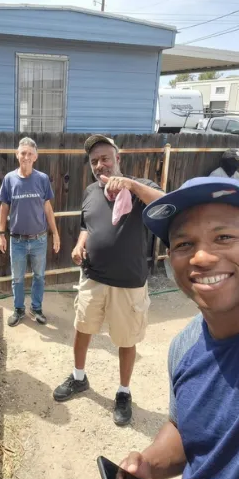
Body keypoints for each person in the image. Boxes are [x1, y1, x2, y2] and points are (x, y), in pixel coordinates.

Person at [119, 176, 239, 479]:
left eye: (224, 237)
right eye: (184, 244)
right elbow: (186, 429)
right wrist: (149, 464)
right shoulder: (185, 345)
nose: (201, 258)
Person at [53, 134, 164, 427]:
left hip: (129, 283)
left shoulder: (139, 188)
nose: (99, 165)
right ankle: (79, 377)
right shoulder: (91, 191)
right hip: (92, 277)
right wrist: (79, 246)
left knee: (126, 340)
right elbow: (86, 226)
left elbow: (166, 203)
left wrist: (131, 185)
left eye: (104, 158)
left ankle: (123, 392)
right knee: (82, 328)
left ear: (118, 159)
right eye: (94, 161)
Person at [0, 137, 60, 327]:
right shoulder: (9, 179)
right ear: (17, 155)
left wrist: (56, 234)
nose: (26, 157)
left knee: (39, 276)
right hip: (17, 241)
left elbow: (47, 208)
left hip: (39, 239)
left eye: (30, 154)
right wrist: (1, 234)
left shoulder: (42, 179)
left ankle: (36, 308)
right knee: (17, 278)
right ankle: (18, 309)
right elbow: (4, 208)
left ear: (35, 157)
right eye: (23, 153)